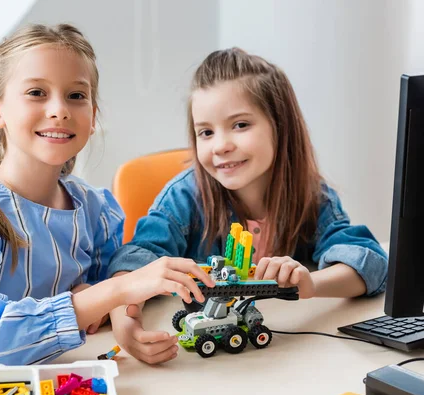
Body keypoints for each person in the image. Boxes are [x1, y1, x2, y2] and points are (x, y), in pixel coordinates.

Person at [0, 23, 214, 366]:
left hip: (62, 373)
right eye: (36, 93)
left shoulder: (96, 209)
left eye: (76, 95)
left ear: (92, 116)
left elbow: (100, 305)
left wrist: (121, 318)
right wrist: (115, 291)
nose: (59, 109)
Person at [106, 47, 388, 364]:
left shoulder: (311, 196)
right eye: (206, 132)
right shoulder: (184, 197)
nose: (221, 145)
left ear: (281, 127)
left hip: (281, 361)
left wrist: (308, 285)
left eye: (240, 125)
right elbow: (132, 264)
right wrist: (125, 323)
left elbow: (371, 264)